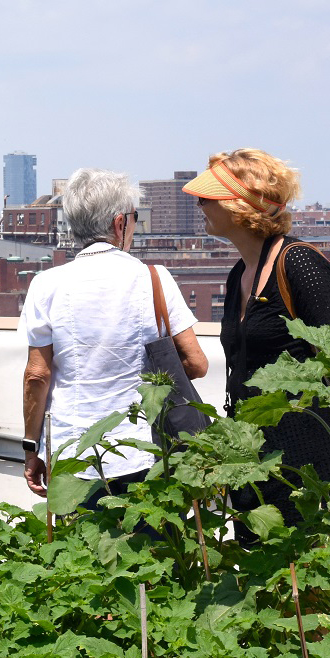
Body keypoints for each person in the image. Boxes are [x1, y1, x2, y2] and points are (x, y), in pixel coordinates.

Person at [183, 149, 330, 535]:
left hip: (307, 462)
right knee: (260, 578)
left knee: (306, 581)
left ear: (239, 204)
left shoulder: (299, 264)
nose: (199, 203)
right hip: (254, 460)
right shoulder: (238, 275)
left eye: (209, 196)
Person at [21, 169, 207, 508]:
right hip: (144, 451)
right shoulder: (154, 278)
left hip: (73, 450)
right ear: (120, 223)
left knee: (78, 553)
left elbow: (37, 375)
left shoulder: (46, 285)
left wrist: (31, 447)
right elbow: (195, 362)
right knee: (147, 553)